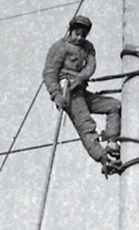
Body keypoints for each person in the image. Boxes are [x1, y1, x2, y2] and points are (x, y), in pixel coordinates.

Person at [43, 15, 121, 175]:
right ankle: (104, 158)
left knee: (114, 105)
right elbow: (50, 73)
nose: (79, 38)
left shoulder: (88, 47)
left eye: (83, 35)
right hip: (68, 92)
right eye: (76, 33)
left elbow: (91, 65)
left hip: (81, 89)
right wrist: (57, 95)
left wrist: (81, 77)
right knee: (86, 124)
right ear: (70, 31)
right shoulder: (59, 47)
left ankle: (112, 141)